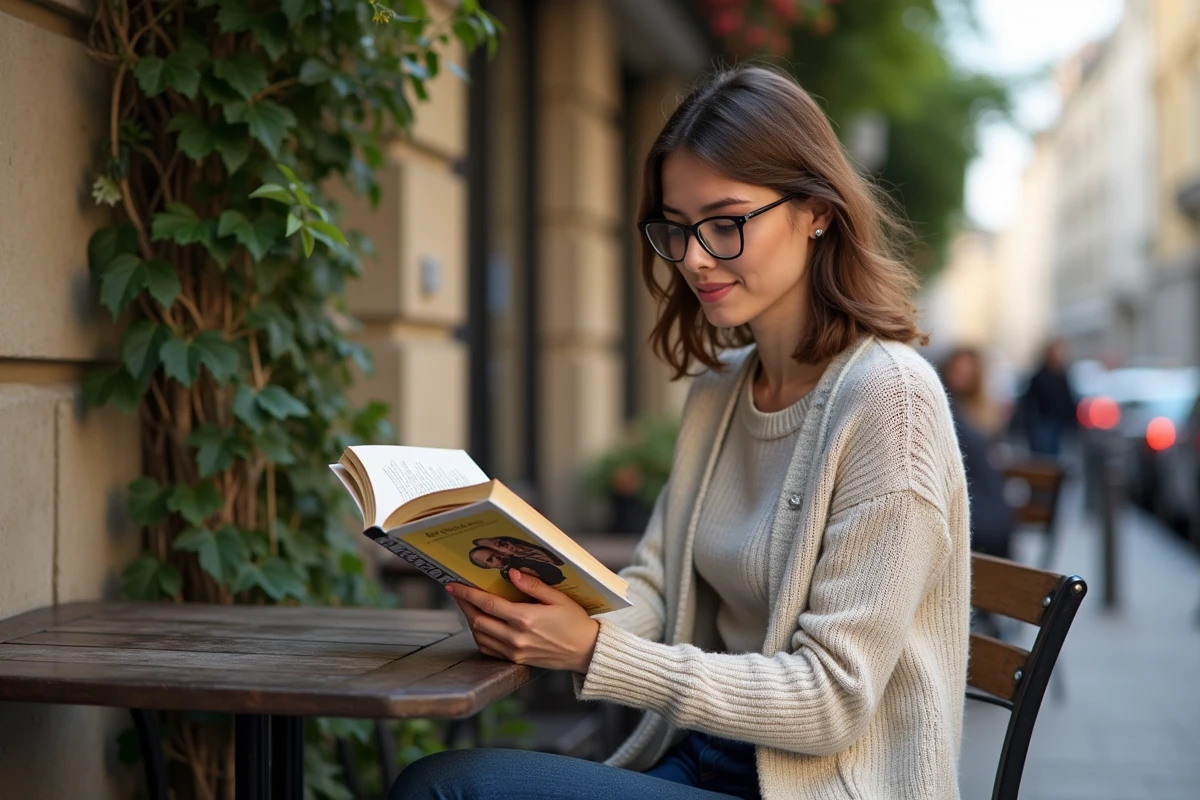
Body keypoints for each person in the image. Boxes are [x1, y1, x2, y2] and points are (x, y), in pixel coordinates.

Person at [391, 65, 970, 800]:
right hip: (702, 760)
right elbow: (655, 590)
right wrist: (541, 608)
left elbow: (831, 702)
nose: (695, 257)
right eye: (677, 227)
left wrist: (595, 650)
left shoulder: (891, 400)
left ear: (817, 211)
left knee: (446, 789)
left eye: (726, 223)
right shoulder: (721, 391)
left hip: (823, 786)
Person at [940, 347, 1016, 560]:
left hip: (986, 515)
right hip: (978, 515)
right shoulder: (949, 410)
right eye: (958, 368)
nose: (963, 374)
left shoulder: (979, 410)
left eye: (968, 370)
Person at [1015, 339, 1079, 458]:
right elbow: (1030, 403)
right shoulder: (1040, 376)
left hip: (1061, 423)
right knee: (1045, 458)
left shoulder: (1062, 375)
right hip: (1045, 423)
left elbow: (1068, 399)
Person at [467, 545, 566, 587]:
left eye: (494, 553)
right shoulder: (504, 575)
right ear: (488, 567)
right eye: (490, 560)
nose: (497, 558)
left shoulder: (521, 557)